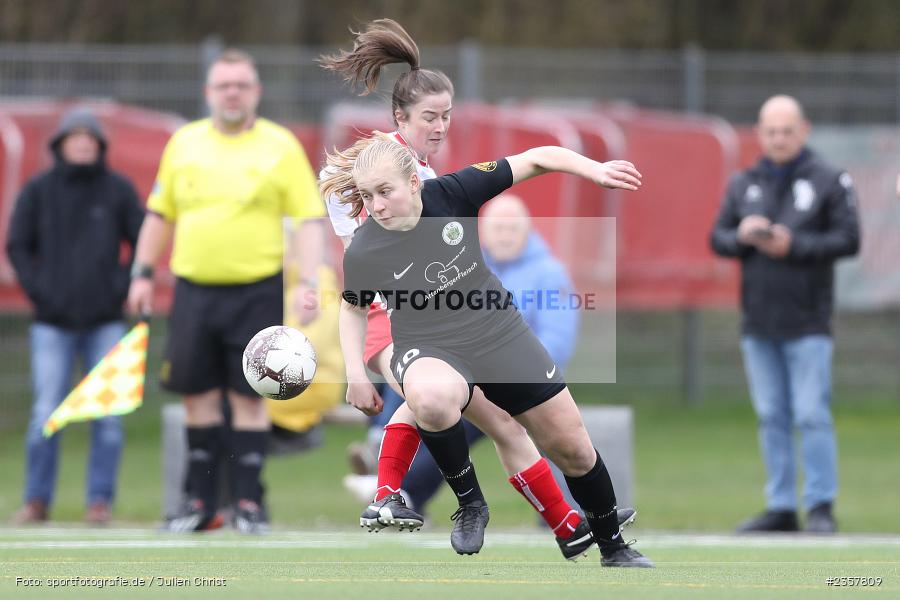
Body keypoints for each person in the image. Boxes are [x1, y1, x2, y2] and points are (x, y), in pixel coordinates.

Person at [319, 19, 635, 561]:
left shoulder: (439, 183)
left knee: (536, 432)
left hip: (480, 324)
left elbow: (537, 159)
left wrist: (593, 170)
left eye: (447, 115)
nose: (441, 126)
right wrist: (354, 374)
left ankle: (579, 529)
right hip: (399, 319)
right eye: (429, 117)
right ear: (400, 119)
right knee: (431, 396)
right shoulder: (376, 194)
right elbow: (358, 289)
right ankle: (401, 492)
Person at [126, 49, 325, 534]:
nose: (232, 92)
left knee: (251, 397)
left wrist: (311, 278)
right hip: (194, 289)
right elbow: (159, 213)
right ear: (209, 93)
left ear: (255, 91)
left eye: (241, 84)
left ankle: (248, 504)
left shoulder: (280, 146)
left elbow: (308, 218)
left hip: (257, 288)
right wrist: (142, 272)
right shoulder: (184, 143)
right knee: (198, 397)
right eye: (223, 85)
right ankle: (198, 502)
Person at [710, 95, 860, 534]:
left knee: (812, 413)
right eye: (771, 131)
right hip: (758, 320)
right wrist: (741, 236)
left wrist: (794, 246)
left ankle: (820, 505)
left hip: (809, 319)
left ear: (803, 130)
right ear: (760, 133)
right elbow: (717, 238)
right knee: (771, 414)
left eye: (786, 130)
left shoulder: (830, 178)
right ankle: (780, 506)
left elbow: (848, 239)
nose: (778, 138)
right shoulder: (744, 182)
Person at [6, 106, 145, 525]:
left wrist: (119, 288)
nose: (83, 143)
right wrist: (41, 292)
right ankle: (36, 502)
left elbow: (143, 244)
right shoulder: (38, 191)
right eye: (75, 137)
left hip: (105, 322)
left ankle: (99, 503)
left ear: (99, 145)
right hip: (51, 324)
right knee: (45, 413)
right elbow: (17, 245)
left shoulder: (118, 190)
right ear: (61, 143)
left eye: (90, 137)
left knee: (108, 418)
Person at [401, 194, 580, 514]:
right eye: (497, 228)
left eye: (512, 228)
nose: (505, 235)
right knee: (448, 417)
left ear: (527, 231)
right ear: (483, 232)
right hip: (479, 380)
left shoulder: (549, 274)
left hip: (531, 380)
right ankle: (408, 493)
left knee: (555, 442)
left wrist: (516, 376)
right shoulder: (467, 267)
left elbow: (557, 339)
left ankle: (573, 511)